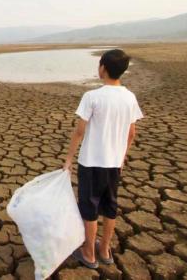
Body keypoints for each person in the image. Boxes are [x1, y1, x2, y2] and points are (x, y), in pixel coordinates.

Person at [63, 49, 143, 269]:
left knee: (89, 208)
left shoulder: (92, 96)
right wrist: (122, 157)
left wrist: (69, 159)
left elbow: (79, 131)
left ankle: (88, 254)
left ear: (103, 68)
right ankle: (105, 249)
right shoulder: (129, 97)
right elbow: (132, 132)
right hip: (114, 164)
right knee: (110, 206)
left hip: (91, 162)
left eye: (99, 65)